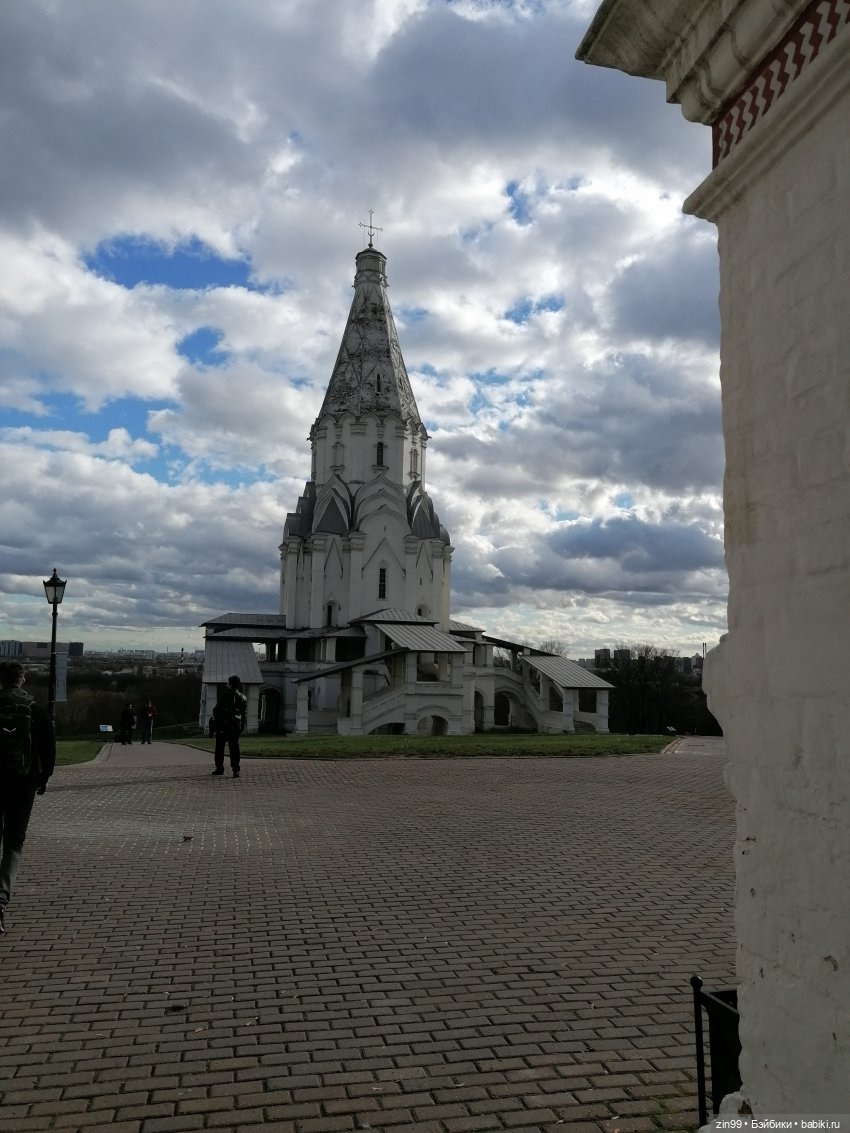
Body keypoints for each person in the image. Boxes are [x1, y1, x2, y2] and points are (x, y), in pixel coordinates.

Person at [0, 661, 55, 935]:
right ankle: (1, 899)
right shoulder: (37, 711)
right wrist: (43, 778)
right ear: (22, 680)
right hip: (23, 782)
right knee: (13, 842)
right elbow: (48, 749)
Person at [212, 675, 247, 779]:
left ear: (230, 683)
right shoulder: (243, 697)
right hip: (235, 726)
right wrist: (242, 725)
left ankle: (220, 768)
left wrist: (218, 720)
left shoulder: (225, 695)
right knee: (235, 748)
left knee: (219, 748)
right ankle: (236, 770)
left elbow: (216, 710)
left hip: (224, 725)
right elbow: (243, 714)